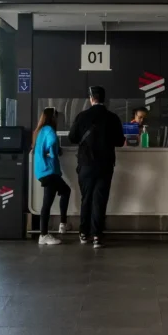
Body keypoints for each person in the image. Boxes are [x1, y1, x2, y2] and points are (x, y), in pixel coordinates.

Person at [68, 86, 125, 249]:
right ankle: (97, 237)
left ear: (91, 98)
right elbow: (120, 141)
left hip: (85, 164)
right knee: (100, 199)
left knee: (86, 198)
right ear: (104, 99)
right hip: (105, 165)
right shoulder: (113, 118)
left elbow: (72, 137)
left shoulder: (82, 116)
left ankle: (83, 233)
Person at [33, 107, 70, 245]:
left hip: (43, 171)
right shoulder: (49, 130)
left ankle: (62, 224)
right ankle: (44, 235)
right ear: (53, 117)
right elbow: (53, 142)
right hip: (49, 171)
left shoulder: (40, 130)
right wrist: (54, 153)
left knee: (65, 190)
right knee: (47, 203)